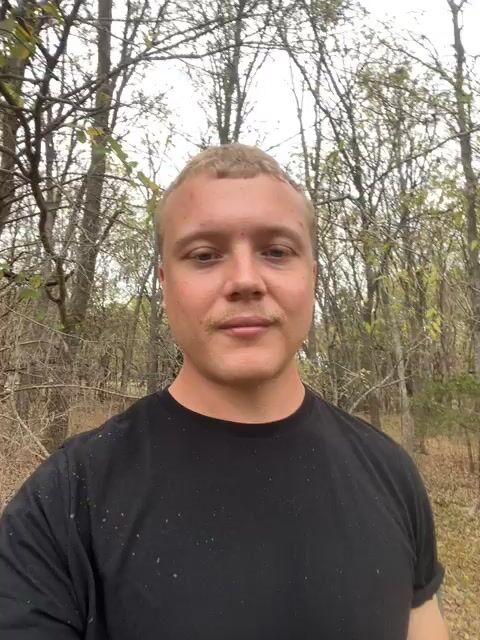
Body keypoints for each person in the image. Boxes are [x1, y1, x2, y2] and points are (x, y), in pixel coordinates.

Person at [0, 144, 448, 639]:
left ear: (312, 277)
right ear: (166, 283)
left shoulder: (390, 472)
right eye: (204, 255)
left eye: (277, 251)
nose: (245, 280)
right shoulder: (67, 498)